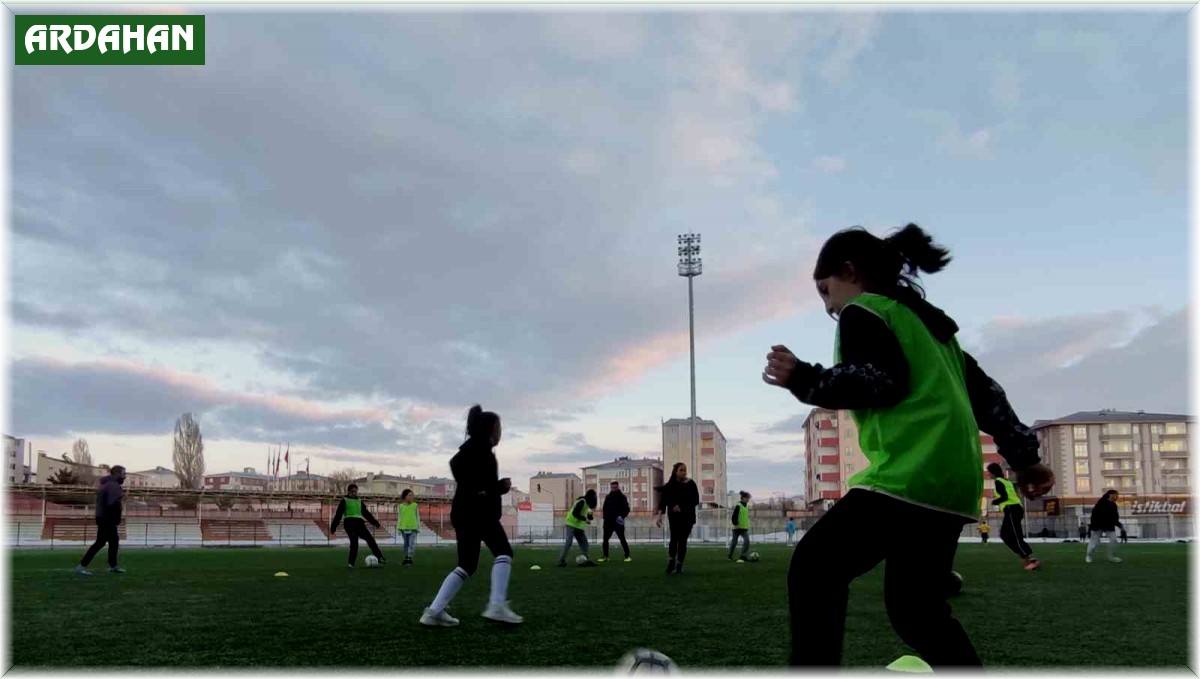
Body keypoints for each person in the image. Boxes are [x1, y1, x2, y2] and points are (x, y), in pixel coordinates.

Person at [761, 224, 1055, 668]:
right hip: (953, 487)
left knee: (814, 568)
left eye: (826, 291)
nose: (829, 306)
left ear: (849, 272)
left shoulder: (866, 311)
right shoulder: (935, 331)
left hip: (908, 476)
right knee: (916, 611)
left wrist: (804, 378)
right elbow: (988, 396)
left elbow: (881, 381)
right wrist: (1026, 459)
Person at [421, 405, 522, 626]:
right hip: (479, 512)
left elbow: (461, 468)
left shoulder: (473, 448)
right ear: (491, 429)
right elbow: (476, 483)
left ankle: (434, 611)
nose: (501, 433)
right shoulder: (482, 450)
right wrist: (498, 488)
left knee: (467, 564)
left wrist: (482, 488)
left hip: (464, 512)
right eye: (499, 428)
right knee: (503, 552)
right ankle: (496, 606)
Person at [76, 465, 127, 576]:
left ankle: (113, 565)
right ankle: (82, 566)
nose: (125, 477)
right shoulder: (113, 486)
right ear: (117, 473)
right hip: (107, 518)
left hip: (102, 517)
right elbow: (112, 504)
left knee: (113, 541)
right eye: (123, 474)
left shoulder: (105, 484)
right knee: (101, 542)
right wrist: (116, 518)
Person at [988, 463, 1039, 571]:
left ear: (992, 472)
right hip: (1014, 509)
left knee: (1015, 535)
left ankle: (1030, 560)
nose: (988, 474)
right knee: (1005, 535)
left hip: (1012, 509)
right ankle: (1026, 556)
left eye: (989, 472)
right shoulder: (1007, 481)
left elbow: (1005, 497)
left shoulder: (998, 481)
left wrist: (994, 501)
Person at [654, 462, 700, 575]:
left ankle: (679, 565)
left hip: (687, 518)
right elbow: (663, 502)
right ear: (676, 471)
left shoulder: (691, 484)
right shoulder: (670, 486)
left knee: (682, 541)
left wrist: (682, 506)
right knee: (674, 540)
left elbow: (695, 500)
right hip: (674, 518)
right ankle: (671, 562)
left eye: (685, 470)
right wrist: (659, 516)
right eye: (681, 470)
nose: (684, 472)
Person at [330, 484, 386, 568]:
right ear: (348, 491)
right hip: (349, 523)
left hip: (359, 523)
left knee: (370, 539)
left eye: (355, 491)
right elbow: (338, 514)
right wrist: (333, 527)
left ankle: (380, 557)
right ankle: (351, 563)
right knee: (354, 543)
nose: (354, 493)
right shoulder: (344, 501)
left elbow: (366, 514)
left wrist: (375, 523)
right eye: (352, 491)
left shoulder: (359, 501)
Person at [557, 490, 599, 567]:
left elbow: (585, 515)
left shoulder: (586, 504)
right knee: (568, 542)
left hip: (578, 526)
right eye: (594, 497)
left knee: (584, 543)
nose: (595, 498)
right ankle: (561, 560)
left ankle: (585, 559)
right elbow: (575, 513)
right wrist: (585, 519)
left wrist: (590, 516)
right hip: (571, 523)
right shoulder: (582, 502)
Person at [1087, 490, 1124, 564]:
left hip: (1108, 526)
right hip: (1097, 526)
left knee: (1114, 540)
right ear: (1111, 495)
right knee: (1094, 544)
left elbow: (1115, 518)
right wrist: (1092, 526)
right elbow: (1093, 516)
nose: (1117, 497)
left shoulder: (1114, 505)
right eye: (1116, 495)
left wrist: (1120, 525)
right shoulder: (1100, 503)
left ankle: (1112, 557)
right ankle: (1089, 556)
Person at [599, 481, 632, 563]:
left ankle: (627, 556)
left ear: (618, 487)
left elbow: (627, 509)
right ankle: (605, 556)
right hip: (608, 522)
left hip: (618, 522)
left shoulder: (622, 497)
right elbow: (604, 508)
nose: (614, 489)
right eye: (612, 487)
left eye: (615, 487)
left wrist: (622, 516)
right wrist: (605, 518)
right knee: (605, 540)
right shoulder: (608, 497)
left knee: (622, 539)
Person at [397, 489, 420, 566]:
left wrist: (418, 527)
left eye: (412, 495)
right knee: (405, 544)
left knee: (411, 544)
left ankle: (410, 558)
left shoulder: (415, 505)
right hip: (403, 528)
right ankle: (406, 557)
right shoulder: (401, 506)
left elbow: (417, 516)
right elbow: (399, 517)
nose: (411, 497)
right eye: (409, 495)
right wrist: (398, 528)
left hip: (413, 528)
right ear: (405, 496)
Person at [728, 491, 752, 562]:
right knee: (734, 542)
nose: (748, 499)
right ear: (743, 498)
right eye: (747, 498)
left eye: (749, 498)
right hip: (737, 528)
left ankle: (743, 556)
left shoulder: (746, 506)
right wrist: (735, 523)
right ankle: (730, 554)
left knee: (747, 541)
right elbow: (734, 516)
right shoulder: (738, 506)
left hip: (744, 528)